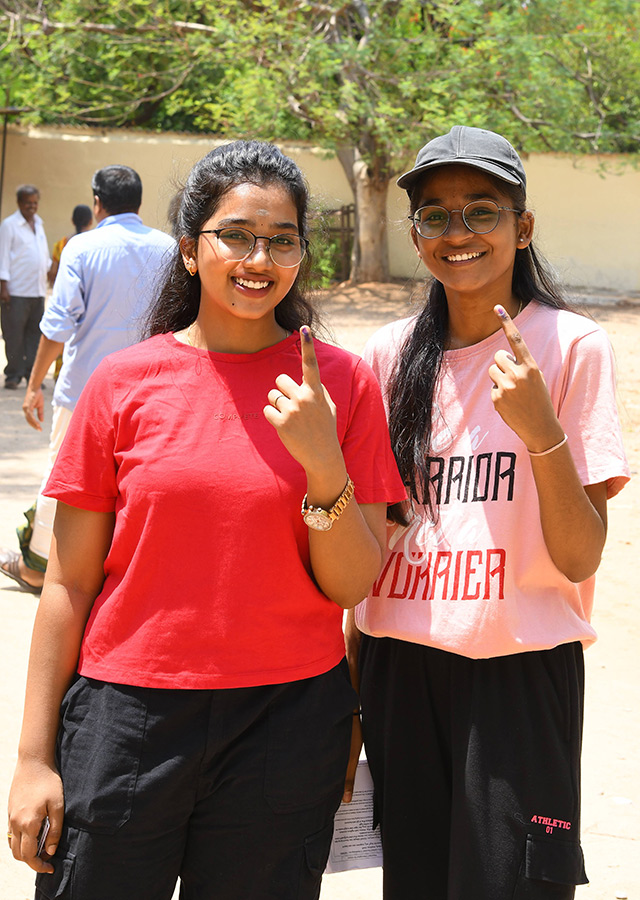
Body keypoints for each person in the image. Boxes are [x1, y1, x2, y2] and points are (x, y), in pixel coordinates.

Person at [7, 140, 405, 900]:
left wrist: (324, 465)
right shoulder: (124, 383)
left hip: (286, 723)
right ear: (190, 250)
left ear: (300, 254)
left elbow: (353, 582)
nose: (259, 257)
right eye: (236, 235)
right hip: (125, 721)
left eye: (282, 240)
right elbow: (67, 582)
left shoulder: (343, 384)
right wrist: (33, 757)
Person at [347, 126, 630, 900]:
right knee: (416, 882)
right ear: (414, 234)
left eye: (482, 211)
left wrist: (541, 433)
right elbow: (373, 543)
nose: (457, 233)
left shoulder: (572, 348)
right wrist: (348, 696)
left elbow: (580, 558)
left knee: (514, 888)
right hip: (399, 667)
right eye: (435, 215)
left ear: (523, 226)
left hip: (520, 677)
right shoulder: (388, 354)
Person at [0, 165, 174, 594]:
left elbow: (57, 325)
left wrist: (33, 384)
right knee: (135, 479)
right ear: (137, 200)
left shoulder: (82, 247)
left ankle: (40, 565)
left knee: (64, 477)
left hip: (85, 390)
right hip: (153, 387)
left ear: (97, 202)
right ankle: (122, 569)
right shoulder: (169, 248)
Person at [0, 184, 49, 389]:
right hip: (16, 291)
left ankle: (31, 375)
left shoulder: (39, 223)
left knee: (35, 335)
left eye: (35, 202)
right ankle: (13, 374)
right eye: (28, 202)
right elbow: (2, 257)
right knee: (13, 334)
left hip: (36, 291)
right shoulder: (9, 225)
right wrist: (3, 287)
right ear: (19, 203)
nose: (32, 206)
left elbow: (42, 254)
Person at [47, 204, 93, 287]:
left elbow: (53, 273)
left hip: (68, 290)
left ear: (72, 221)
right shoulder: (95, 244)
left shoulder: (62, 244)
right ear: (91, 221)